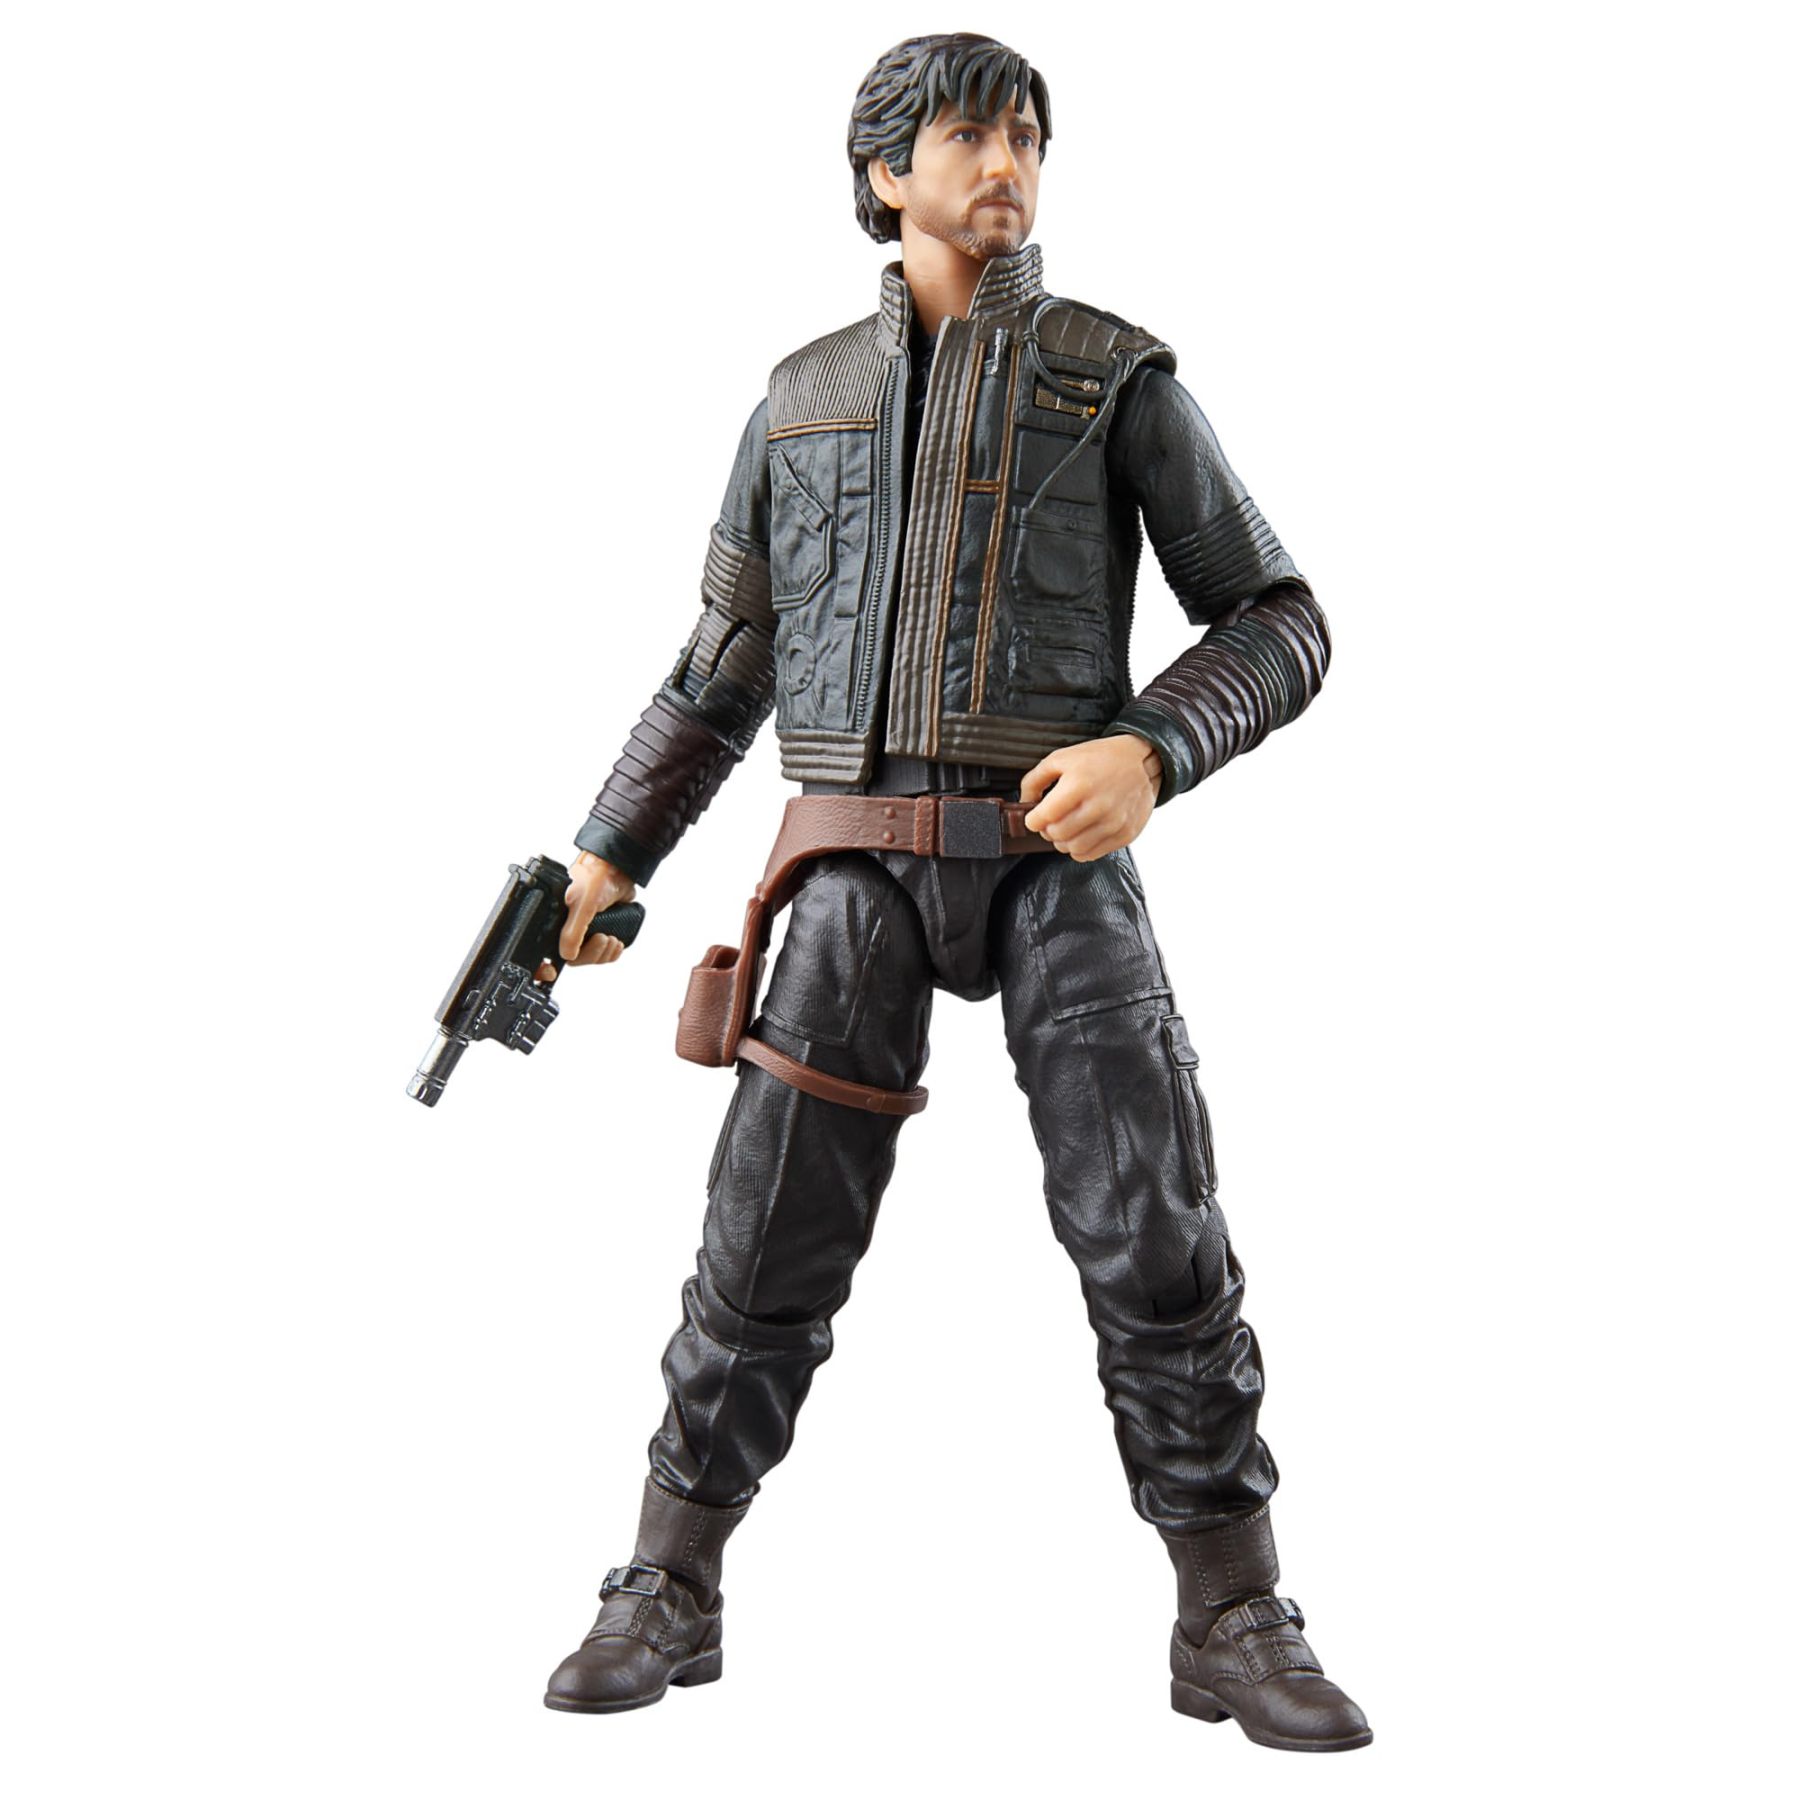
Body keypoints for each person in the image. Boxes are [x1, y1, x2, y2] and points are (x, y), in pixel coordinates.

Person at [540, 33, 1369, 1752]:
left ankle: (1231, 1610)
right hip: (851, 866)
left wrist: (1151, 748)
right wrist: (606, 855)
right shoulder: (799, 401)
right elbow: (718, 670)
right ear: (882, 172)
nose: (1007, 165)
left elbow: (1280, 620)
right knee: (762, 1233)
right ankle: (668, 1581)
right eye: (972, 136)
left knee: (1154, 1229)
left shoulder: (1116, 377)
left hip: (1060, 862)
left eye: (1028, 138)